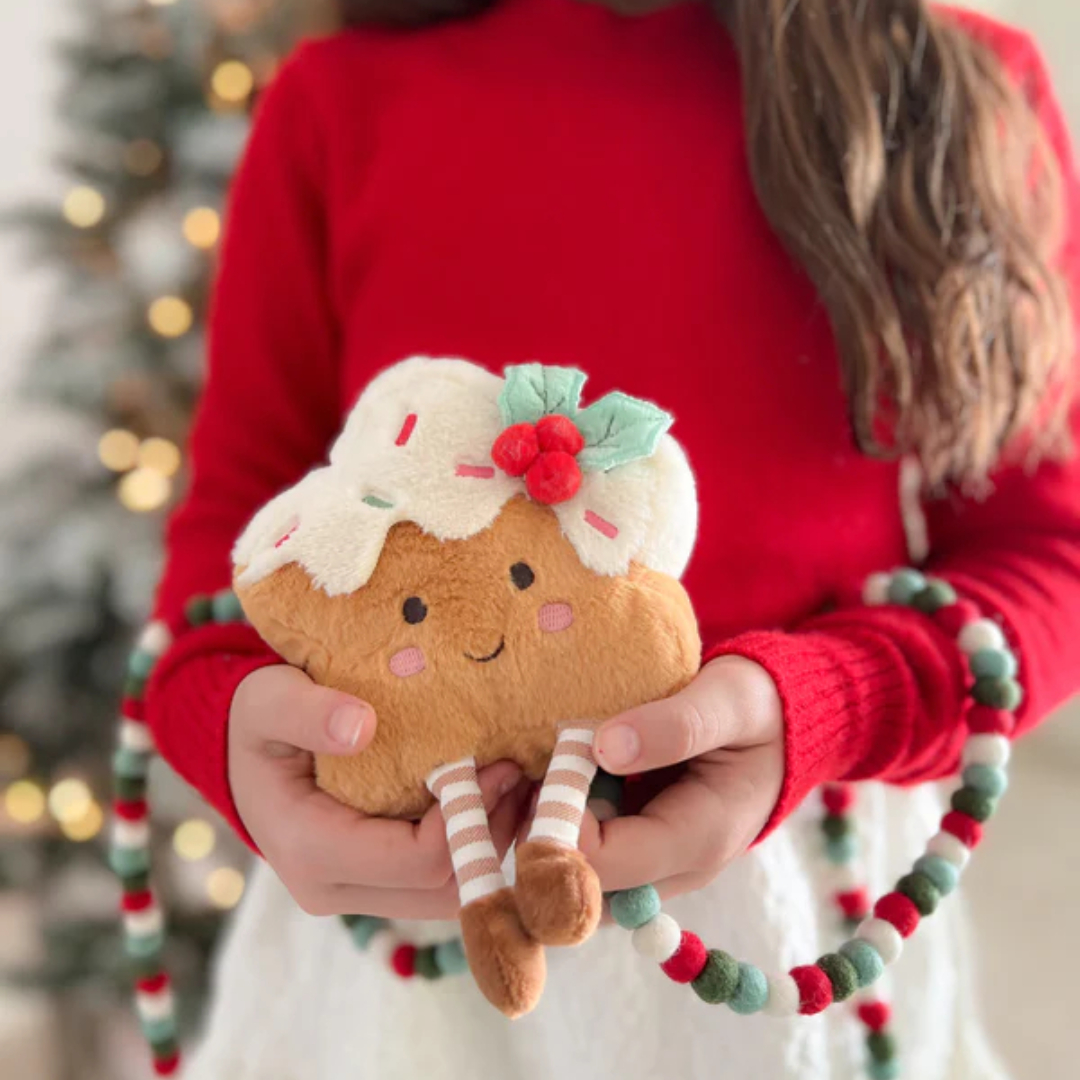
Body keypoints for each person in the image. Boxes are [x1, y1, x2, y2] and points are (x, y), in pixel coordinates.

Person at [143, 0, 1080, 1076]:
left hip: (801, 915)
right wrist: (232, 732)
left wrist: (822, 704)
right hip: (408, 924)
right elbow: (231, 553)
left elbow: (1050, 557)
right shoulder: (341, 102)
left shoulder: (950, 88)